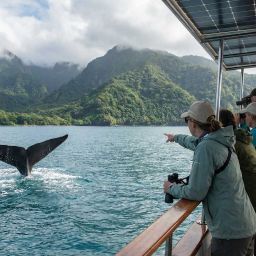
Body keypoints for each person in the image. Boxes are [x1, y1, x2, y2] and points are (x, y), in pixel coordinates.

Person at [163, 100, 256, 256]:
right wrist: (176, 138)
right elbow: (194, 142)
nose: (187, 124)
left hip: (230, 233)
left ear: (193, 123)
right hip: (246, 223)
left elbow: (196, 191)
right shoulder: (220, 139)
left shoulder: (207, 147)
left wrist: (171, 188)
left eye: (187, 120)